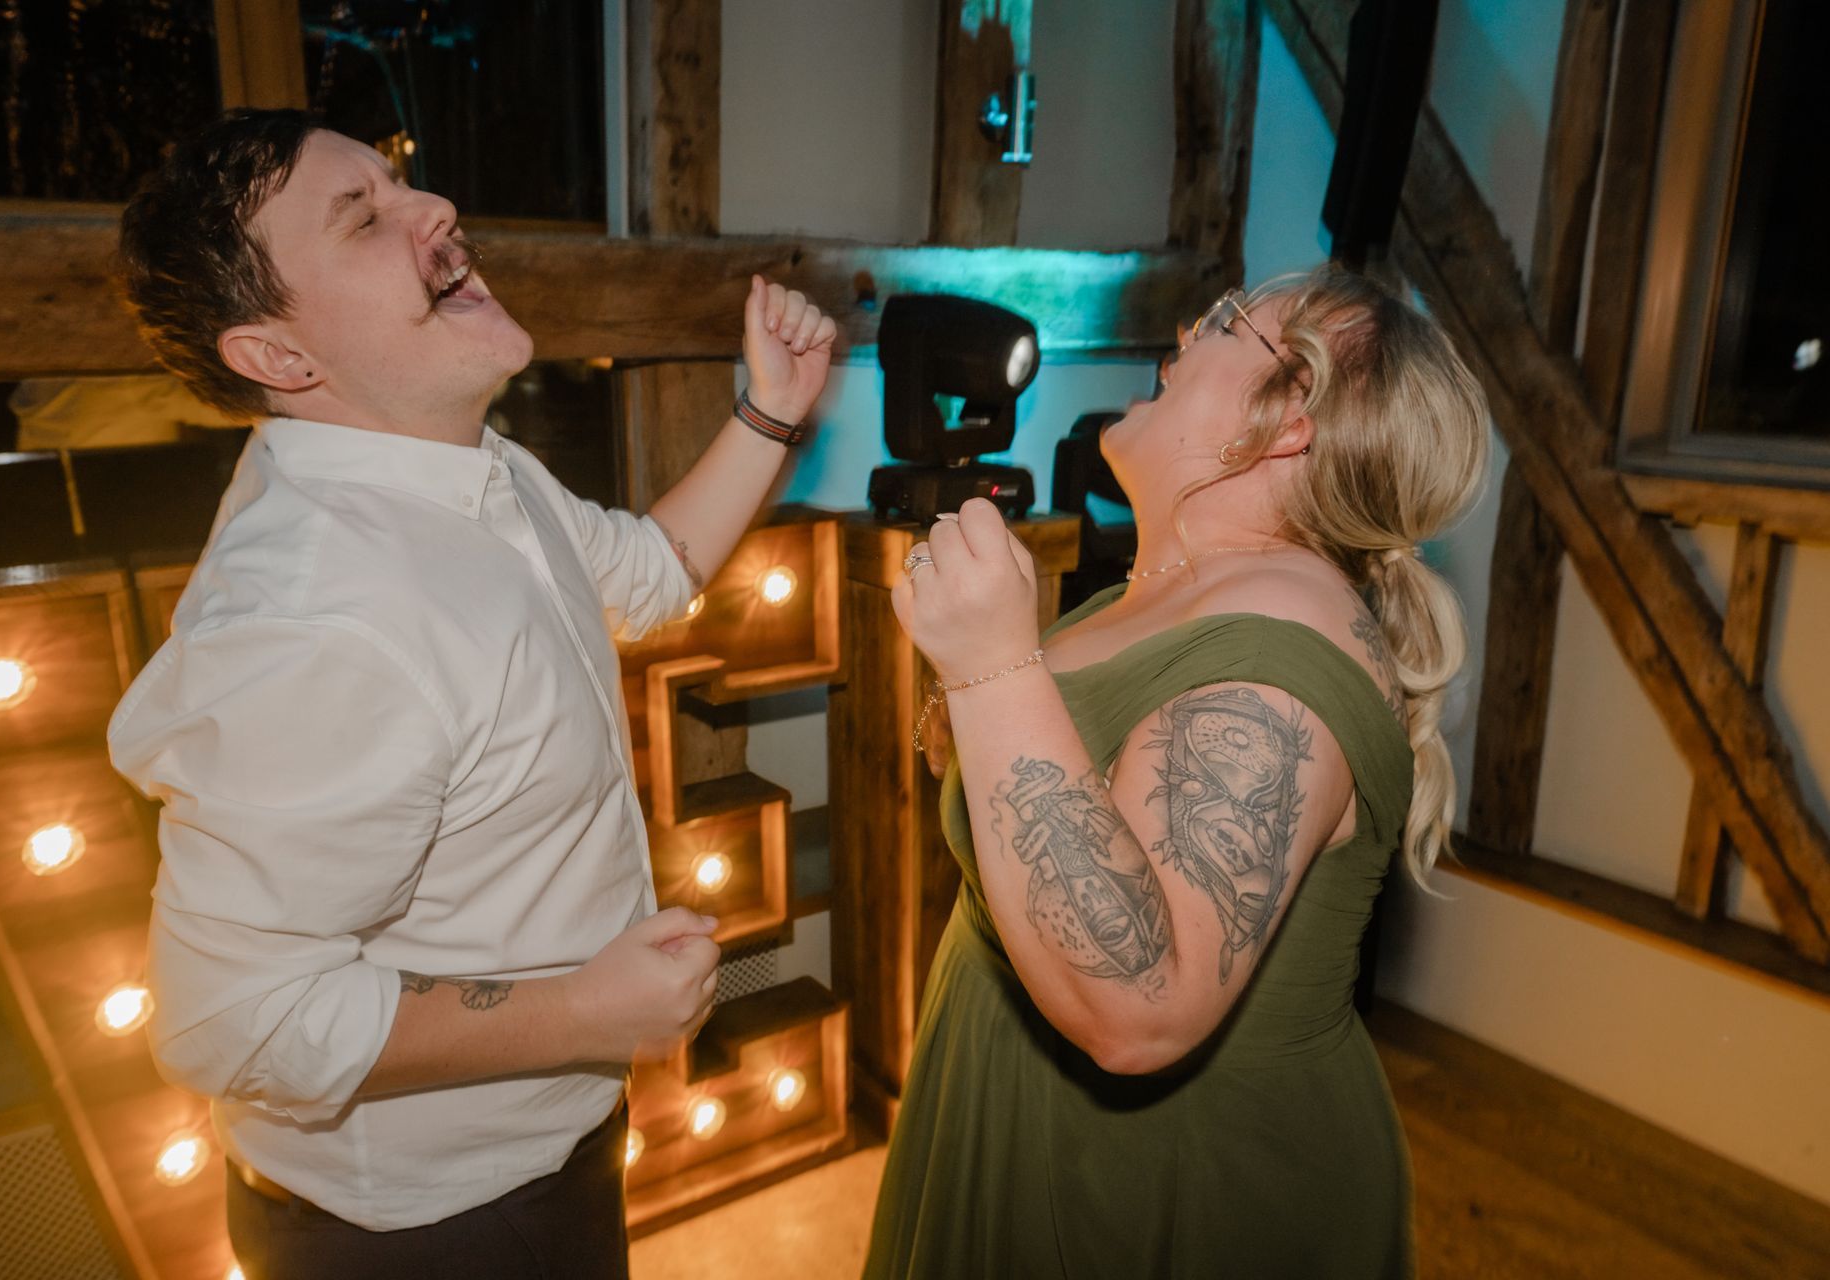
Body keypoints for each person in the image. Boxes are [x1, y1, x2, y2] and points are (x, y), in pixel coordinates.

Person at [106, 109, 837, 1279]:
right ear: (278, 357)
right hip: (424, 1226)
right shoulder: (313, 621)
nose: (435, 208)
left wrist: (772, 409)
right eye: (363, 219)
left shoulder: (468, 465)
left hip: (552, 1144)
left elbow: (645, 571)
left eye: (399, 183)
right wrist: (581, 1013)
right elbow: (230, 1020)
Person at [869, 265, 1487, 1278]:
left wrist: (992, 667)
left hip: (1156, 1183)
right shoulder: (1161, 589)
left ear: (1291, 417)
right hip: (1006, 1096)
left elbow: (1142, 1004)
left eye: (1226, 325)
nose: (1185, 336)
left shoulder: (1282, 638)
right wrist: (979, 680)